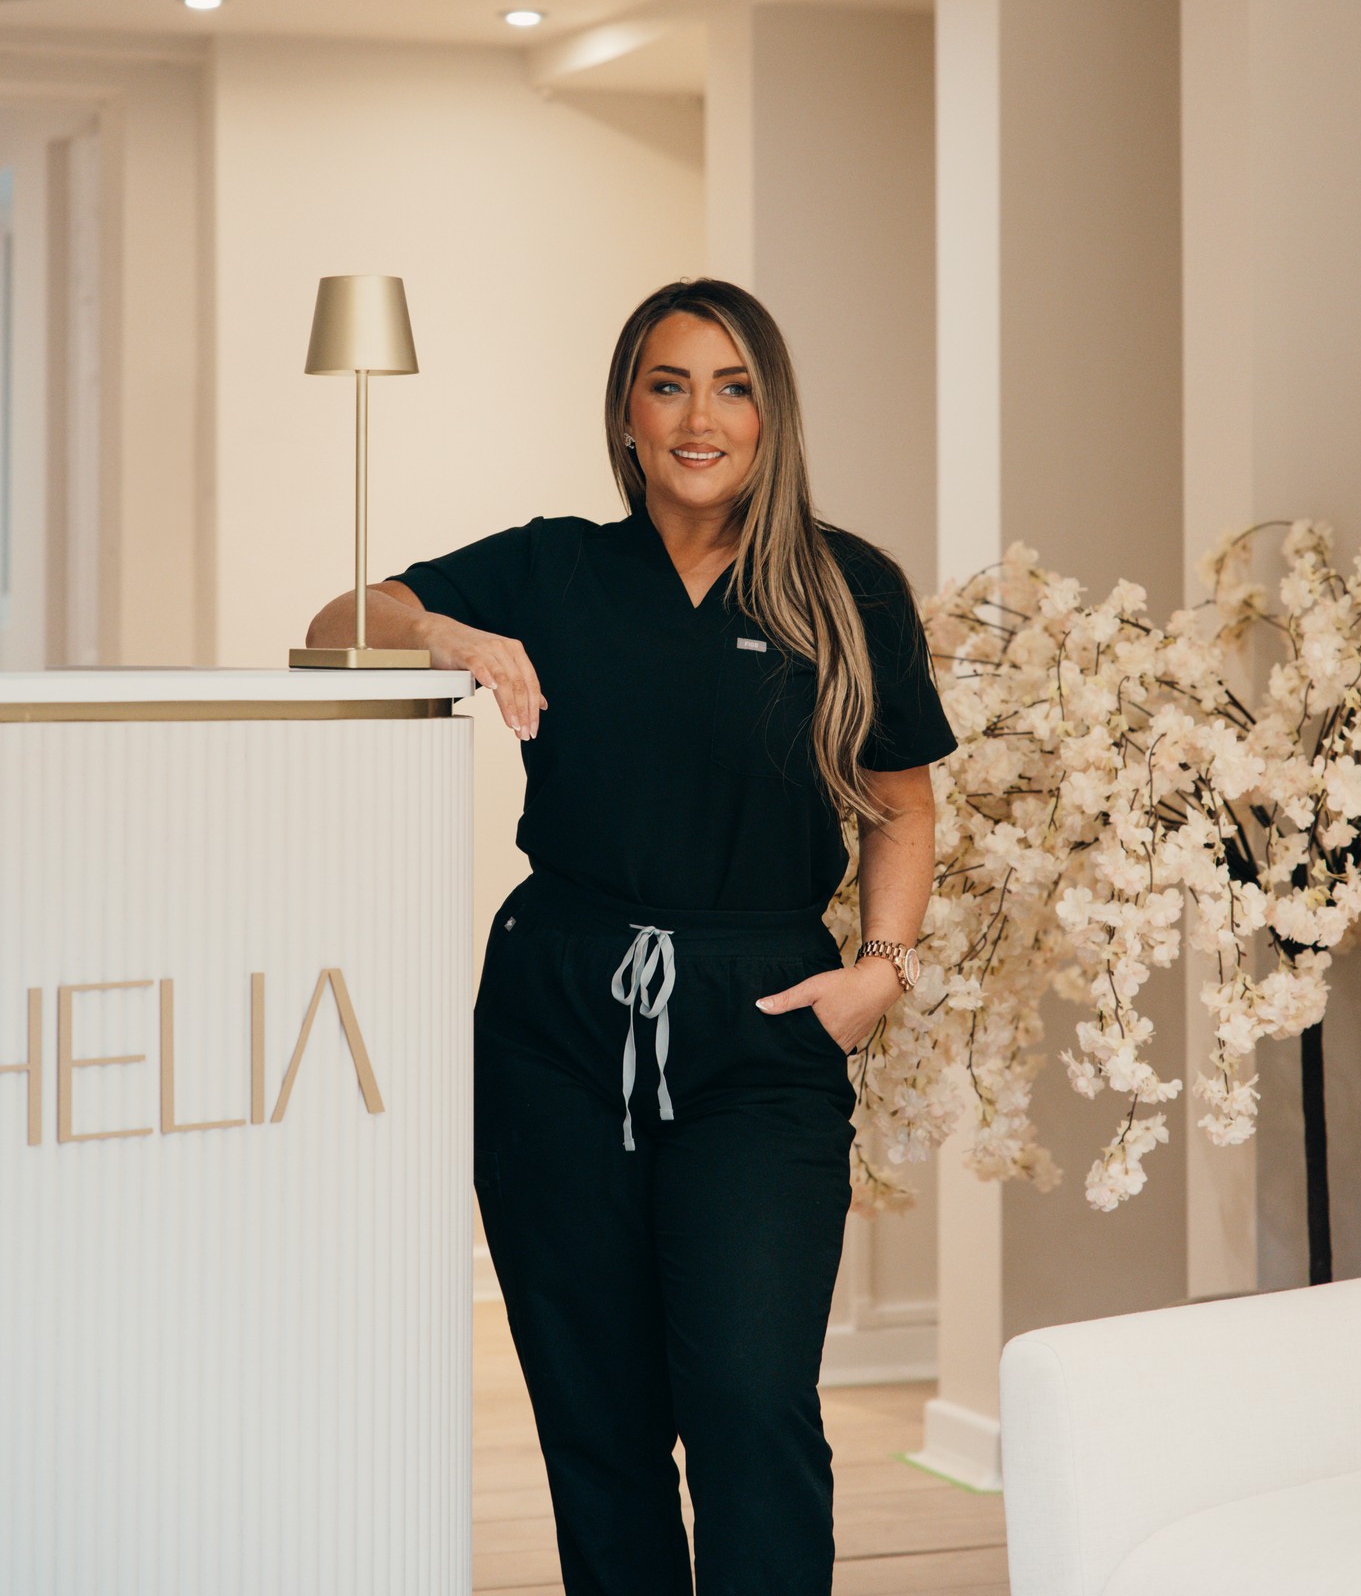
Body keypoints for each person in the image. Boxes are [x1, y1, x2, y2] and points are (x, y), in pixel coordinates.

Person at [306, 277, 956, 1596]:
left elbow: (899, 805)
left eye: (732, 387)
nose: (698, 418)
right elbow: (335, 624)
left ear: (771, 416)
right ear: (627, 413)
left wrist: (877, 972)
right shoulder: (553, 565)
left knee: (746, 1401)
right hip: (553, 1014)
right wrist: (443, 629)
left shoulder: (845, 588)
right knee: (596, 1425)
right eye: (668, 385)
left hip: (758, 1027)